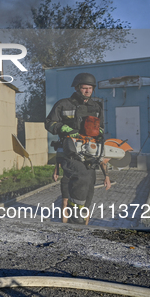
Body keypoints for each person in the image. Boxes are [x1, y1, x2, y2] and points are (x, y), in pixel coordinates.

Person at [45, 72, 111, 224]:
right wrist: (65, 129)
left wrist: (96, 132)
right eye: (84, 88)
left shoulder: (96, 107)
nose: (87, 91)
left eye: (90, 88)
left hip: (90, 151)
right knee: (82, 176)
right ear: (76, 88)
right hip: (70, 151)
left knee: (89, 185)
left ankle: (83, 223)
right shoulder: (63, 104)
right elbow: (49, 123)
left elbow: (101, 128)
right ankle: (75, 216)